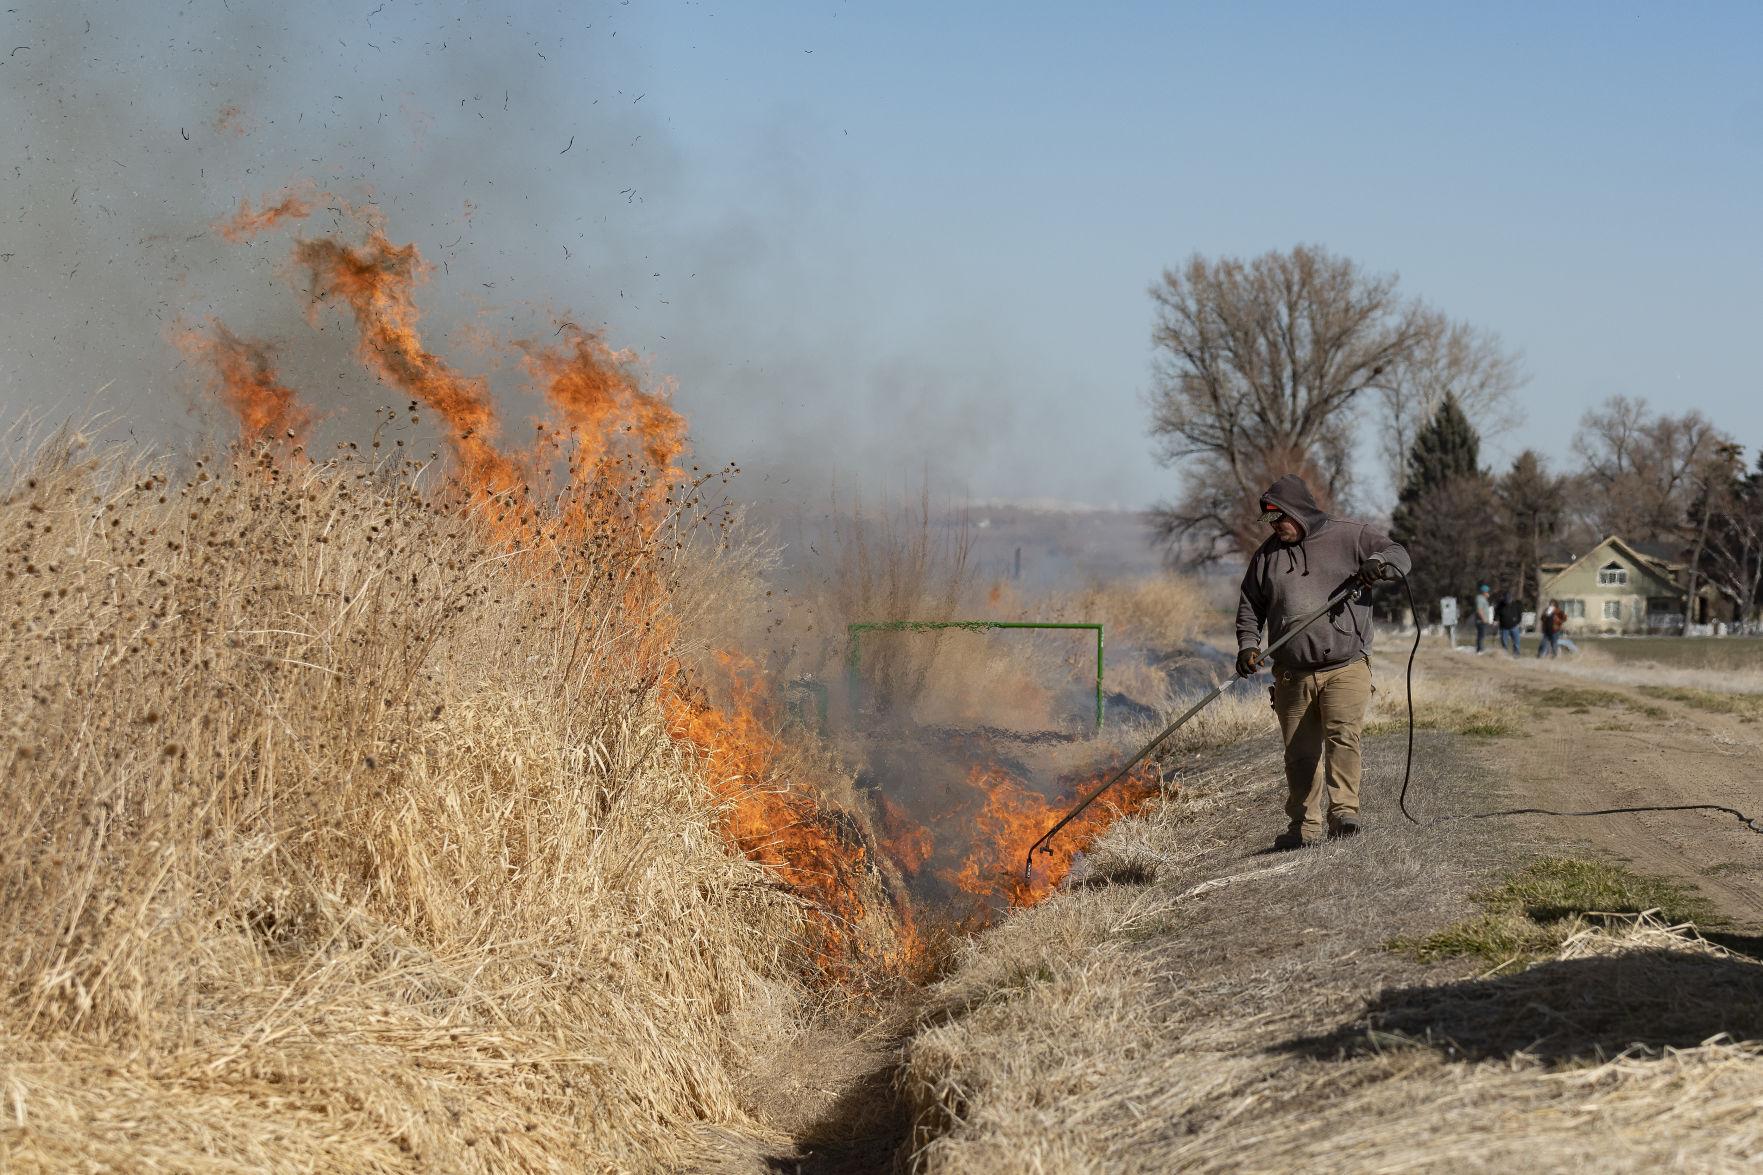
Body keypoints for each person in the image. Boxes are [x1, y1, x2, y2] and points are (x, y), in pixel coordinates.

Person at [1236, 474, 1411, 850]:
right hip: (1291, 674)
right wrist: (1247, 646)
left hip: (1346, 665)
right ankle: (1304, 827)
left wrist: (1377, 563)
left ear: (1297, 512)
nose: (1275, 528)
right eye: (1269, 521)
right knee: (1299, 755)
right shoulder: (1267, 557)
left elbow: (1400, 555)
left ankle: (1344, 814)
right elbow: (1250, 606)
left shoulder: (1351, 535)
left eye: (1278, 519)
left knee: (1343, 737)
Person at [1496, 590, 1524, 656]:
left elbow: (1520, 614)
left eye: (1509, 600)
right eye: (1506, 600)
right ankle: (1504, 654)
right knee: (1504, 642)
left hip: (1514, 626)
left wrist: (1518, 621)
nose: (1507, 601)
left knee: (1516, 642)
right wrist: (1495, 620)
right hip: (1503, 627)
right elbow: (1496, 614)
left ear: (1511, 598)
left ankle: (1516, 654)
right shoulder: (1500, 605)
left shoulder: (1516, 605)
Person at [1473, 582, 1494, 653]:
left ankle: (1480, 649)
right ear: (1484, 592)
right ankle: (1480, 650)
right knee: (1481, 636)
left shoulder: (1483, 598)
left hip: (1483, 621)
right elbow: (1479, 610)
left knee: (1482, 635)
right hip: (1481, 621)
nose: (1488, 593)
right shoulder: (1480, 599)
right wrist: (1484, 619)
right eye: (1487, 591)